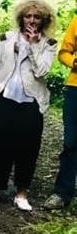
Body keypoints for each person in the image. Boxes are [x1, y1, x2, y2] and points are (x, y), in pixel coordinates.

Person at [0, 0, 57, 212]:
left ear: (44, 20)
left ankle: (22, 192)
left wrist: (32, 46)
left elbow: (41, 72)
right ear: (21, 18)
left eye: (37, 17)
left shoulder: (49, 44)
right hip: (4, 97)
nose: (31, 21)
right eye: (28, 16)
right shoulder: (6, 38)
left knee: (28, 148)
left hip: (31, 102)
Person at [45, 14, 77, 210]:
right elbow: (64, 52)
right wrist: (74, 62)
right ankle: (63, 192)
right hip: (75, 89)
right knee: (71, 142)